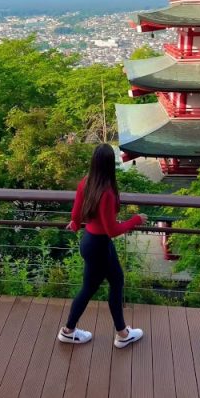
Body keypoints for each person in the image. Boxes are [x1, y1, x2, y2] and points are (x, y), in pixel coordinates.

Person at [58, 144, 146, 348]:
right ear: (109, 165)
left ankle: (69, 331)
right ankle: (122, 334)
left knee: (93, 286)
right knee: (114, 283)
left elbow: (76, 214)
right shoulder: (106, 192)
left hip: (89, 241)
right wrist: (136, 220)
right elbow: (112, 230)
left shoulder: (86, 182)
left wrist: (74, 224)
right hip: (99, 245)